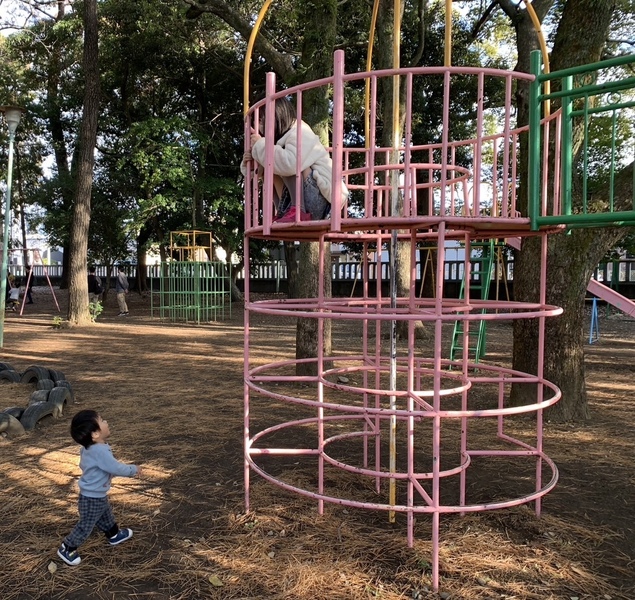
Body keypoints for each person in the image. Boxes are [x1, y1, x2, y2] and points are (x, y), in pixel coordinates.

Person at [57, 410, 143, 566]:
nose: (106, 422)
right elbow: (115, 468)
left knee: (106, 516)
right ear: (95, 434)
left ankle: (114, 534)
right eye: (102, 421)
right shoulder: (99, 450)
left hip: (97, 494)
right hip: (92, 497)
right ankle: (67, 547)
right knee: (86, 525)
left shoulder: (90, 447)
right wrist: (133, 469)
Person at [241, 97, 348, 223]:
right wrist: (254, 163)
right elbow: (260, 173)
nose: (259, 126)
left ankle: (298, 210)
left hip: (322, 202)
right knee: (273, 165)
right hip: (308, 199)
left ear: (276, 116)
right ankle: (283, 212)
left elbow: (290, 164)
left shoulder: (301, 131)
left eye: (261, 120)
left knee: (287, 161)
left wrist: (261, 145)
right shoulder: (280, 140)